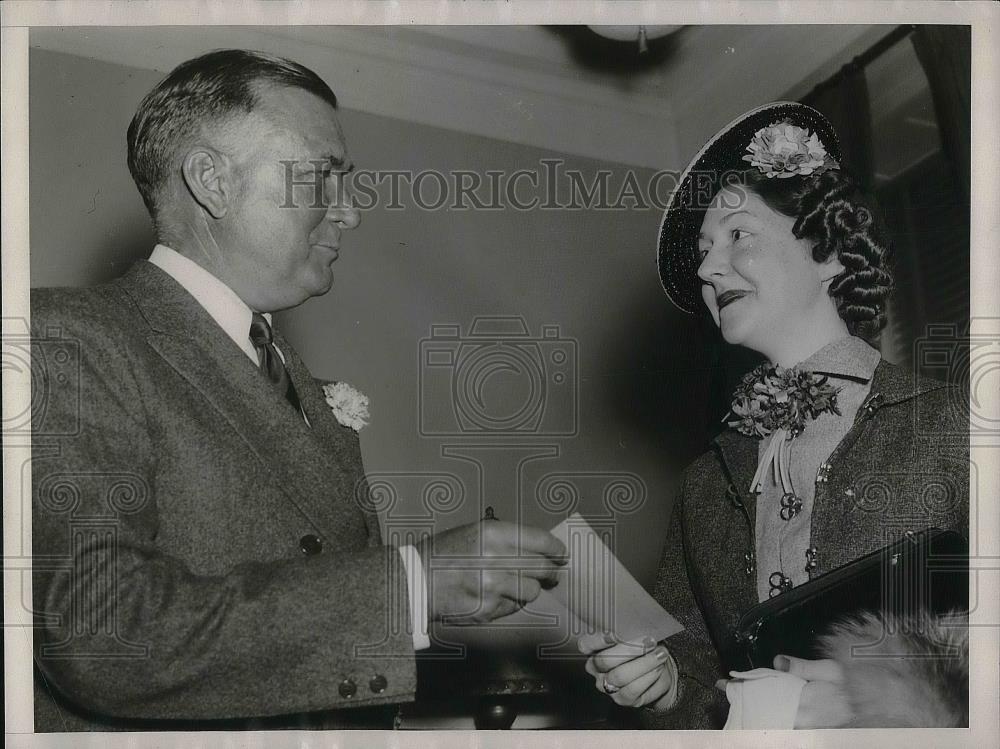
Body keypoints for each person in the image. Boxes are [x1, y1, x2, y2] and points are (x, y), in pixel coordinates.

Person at [30, 49, 567, 731]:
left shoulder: (300, 384)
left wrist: (432, 591)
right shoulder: (67, 336)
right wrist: (412, 584)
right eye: (322, 178)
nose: (349, 214)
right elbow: (102, 629)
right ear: (211, 181)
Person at [579, 102, 969, 728]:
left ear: (830, 251)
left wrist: (890, 699)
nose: (707, 268)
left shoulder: (958, 425)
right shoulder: (705, 485)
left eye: (739, 235)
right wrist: (666, 682)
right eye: (705, 250)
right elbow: (704, 675)